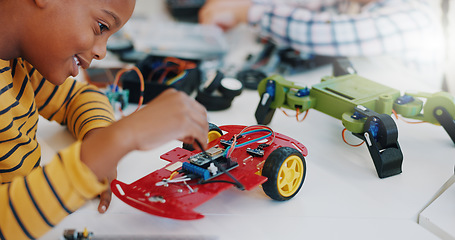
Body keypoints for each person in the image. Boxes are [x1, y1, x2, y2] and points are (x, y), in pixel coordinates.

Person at [0, 0, 209, 239]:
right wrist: (117, 140)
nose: (102, 52)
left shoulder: (17, 62)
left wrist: (98, 138)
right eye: (101, 27)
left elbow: (78, 97)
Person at [199, 0, 446, 88]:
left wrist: (250, 13)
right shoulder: (355, 2)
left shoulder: (413, 17)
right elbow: (308, 5)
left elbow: (326, 32)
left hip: (413, 132)